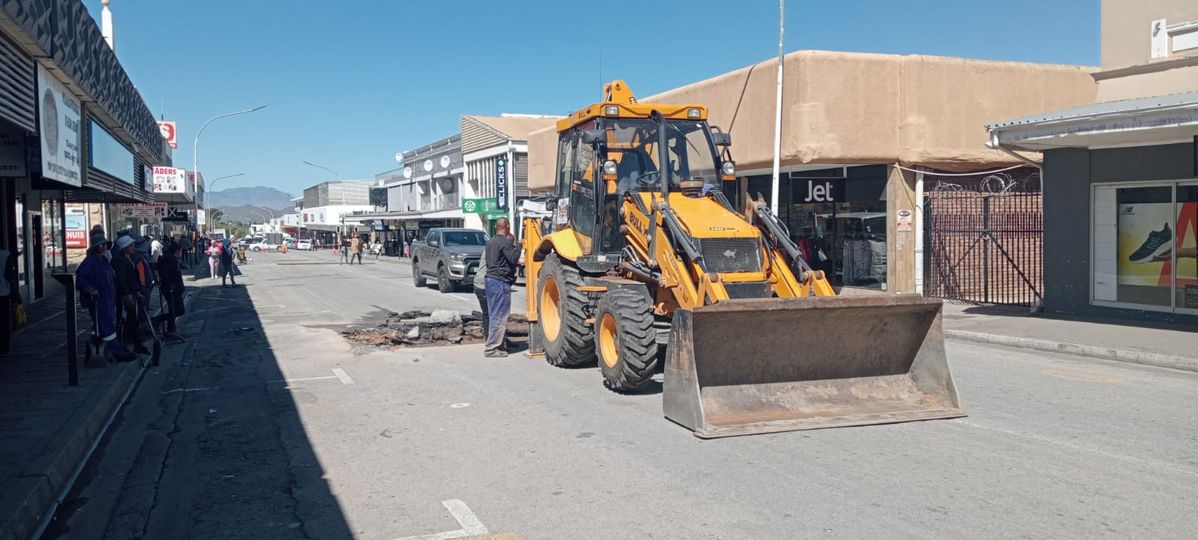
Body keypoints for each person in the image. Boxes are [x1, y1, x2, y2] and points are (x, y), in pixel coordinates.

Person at [77, 236, 135, 363]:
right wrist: (90, 290)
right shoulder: (90, 262)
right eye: (101, 245)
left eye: (105, 245)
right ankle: (116, 352)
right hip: (99, 300)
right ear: (96, 247)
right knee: (107, 327)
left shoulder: (103, 260)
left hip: (108, 298)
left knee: (107, 325)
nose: (104, 248)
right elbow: (80, 279)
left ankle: (112, 349)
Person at [483, 218, 520, 357]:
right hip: (500, 281)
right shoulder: (504, 241)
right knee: (499, 316)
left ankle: (496, 345)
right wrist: (519, 246)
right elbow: (513, 259)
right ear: (508, 226)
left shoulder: (491, 242)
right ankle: (492, 349)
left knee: (494, 315)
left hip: (490, 279)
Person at [112, 235, 150, 355]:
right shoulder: (118, 260)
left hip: (133, 293)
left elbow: (134, 278)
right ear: (124, 247)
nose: (133, 247)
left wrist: (137, 291)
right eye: (131, 245)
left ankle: (137, 345)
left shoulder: (130, 258)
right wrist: (126, 294)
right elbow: (121, 279)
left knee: (133, 320)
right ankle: (121, 345)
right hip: (125, 295)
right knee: (124, 321)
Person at [154, 243, 185, 335]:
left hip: (172, 289)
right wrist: (171, 285)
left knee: (174, 310)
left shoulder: (169, 259)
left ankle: (170, 328)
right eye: (180, 251)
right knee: (179, 310)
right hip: (172, 289)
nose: (181, 253)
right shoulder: (171, 260)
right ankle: (159, 321)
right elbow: (166, 274)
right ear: (177, 251)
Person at [0, 239, 18, 355]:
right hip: (3, 292)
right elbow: (9, 275)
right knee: (3, 321)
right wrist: (15, 292)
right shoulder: (5, 255)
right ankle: (4, 347)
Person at [473, 258, 489, 340]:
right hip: (484, 284)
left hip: (480, 283)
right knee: (491, 314)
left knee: (488, 314)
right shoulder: (498, 246)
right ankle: (491, 339)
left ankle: (491, 338)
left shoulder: (490, 246)